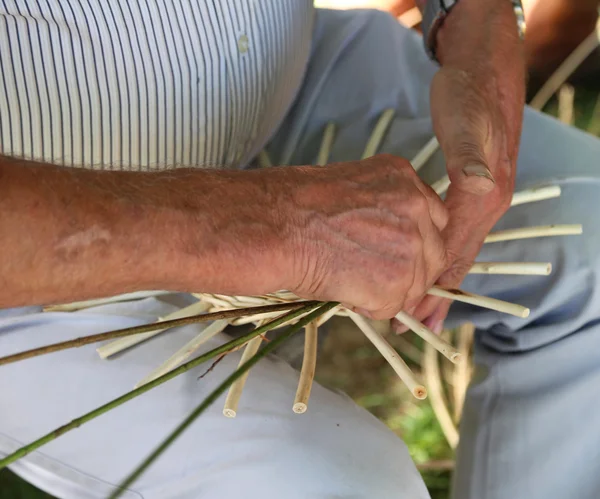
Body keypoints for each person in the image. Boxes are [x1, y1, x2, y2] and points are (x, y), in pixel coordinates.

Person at [0, 1, 599, 498]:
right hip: (41, 267)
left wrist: (479, 23)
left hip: (290, 75)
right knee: (348, 487)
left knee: (591, 245)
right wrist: (262, 224)